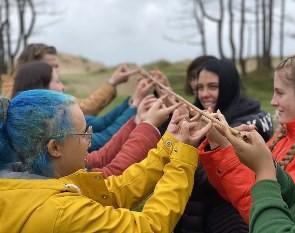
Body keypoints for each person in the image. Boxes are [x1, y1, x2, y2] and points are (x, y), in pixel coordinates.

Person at [0, 89, 212, 233]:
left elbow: (111, 192)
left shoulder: (22, 185)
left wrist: (170, 144)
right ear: (55, 147)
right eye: (84, 133)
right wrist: (183, 157)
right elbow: (148, 227)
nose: (89, 141)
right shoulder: (61, 211)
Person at [199, 53, 295, 227]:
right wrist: (219, 147)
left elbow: (263, 216)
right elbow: (232, 193)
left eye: (280, 93)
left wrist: (226, 149)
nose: (272, 101)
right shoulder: (283, 135)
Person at [175, 56, 273, 233]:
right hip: (195, 213)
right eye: (199, 87)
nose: (204, 94)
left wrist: (181, 157)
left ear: (228, 85)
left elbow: (205, 180)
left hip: (230, 214)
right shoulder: (196, 116)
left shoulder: (247, 122)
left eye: (212, 86)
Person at [11, 61, 152, 151]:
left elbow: (101, 123)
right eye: (58, 82)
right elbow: (103, 139)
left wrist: (133, 101)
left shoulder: (53, 116)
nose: (63, 87)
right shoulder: (50, 127)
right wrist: (134, 107)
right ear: (41, 90)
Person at [3, 43, 139, 115]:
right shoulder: (15, 101)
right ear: (33, 68)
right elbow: (83, 109)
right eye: (51, 66)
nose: (56, 71)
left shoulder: (35, 95)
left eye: (57, 66)